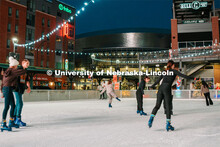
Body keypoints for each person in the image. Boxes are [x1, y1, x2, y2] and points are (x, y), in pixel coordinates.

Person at [148, 60, 197, 131]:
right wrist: (194, 78)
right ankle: (168, 124)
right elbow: (184, 76)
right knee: (168, 107)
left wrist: (151, 86)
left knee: (157, 105)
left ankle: (150, 119)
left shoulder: (164, 71)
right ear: (173, 65)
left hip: (160, 88)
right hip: (167, 88)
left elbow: (157, 81)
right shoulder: (174, 71)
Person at [1, 57, 29, 132]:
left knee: (13, 105)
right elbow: (22, 72)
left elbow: (3, 81)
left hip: (7, 89)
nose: (17, 66)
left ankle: (11, 121)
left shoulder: (7, 70)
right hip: (7, 89)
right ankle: (3, 124)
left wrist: (2, 90)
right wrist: (24, 66)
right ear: (14, 65)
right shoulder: (13, 70)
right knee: (7, 106)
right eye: (16, 65)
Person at [13, 59, 31, 126]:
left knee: (18, 103)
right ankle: (18, 119)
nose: (28, 65)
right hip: (17, 89)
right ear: (23, 63)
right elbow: (16, 79)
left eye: (28, 63)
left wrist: (28, 87)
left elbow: (26, 81)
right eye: (27, 63)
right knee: (20, 103)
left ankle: (14, 118)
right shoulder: (19, 69)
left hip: (21, 89)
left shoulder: (25, 71)